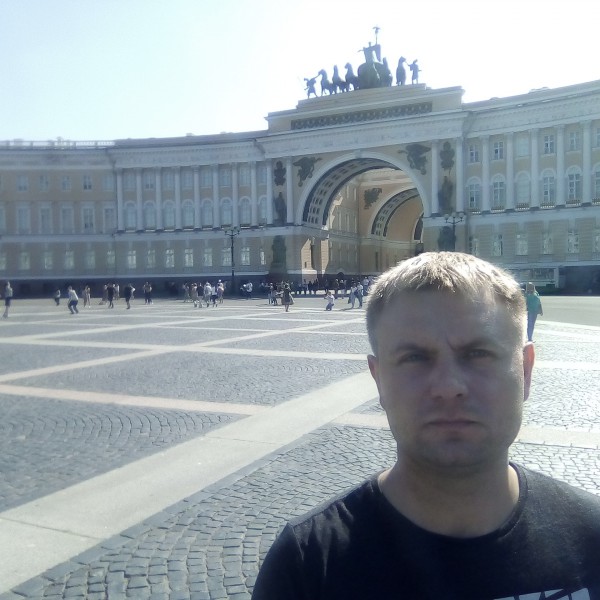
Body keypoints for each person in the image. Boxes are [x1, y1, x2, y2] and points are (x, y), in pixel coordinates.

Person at [252, 252, 600, 599]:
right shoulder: (304, 566)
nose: (449, 386)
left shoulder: (594, 536)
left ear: (525, 370)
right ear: (379, 379)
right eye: (415, 358)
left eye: (478, 353)